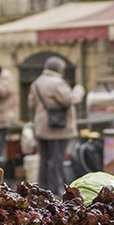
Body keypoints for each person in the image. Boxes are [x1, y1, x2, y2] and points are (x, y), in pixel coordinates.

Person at [29, 56, 85, 196]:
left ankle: (42, 190)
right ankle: (55, 190)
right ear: (61, 68)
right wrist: (79, 90)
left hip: (42, 126)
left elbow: (31, 104)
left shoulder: (36, 83)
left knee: (44, 160)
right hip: (58, 128)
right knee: (56, 160)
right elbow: (69, 99)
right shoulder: (57, 83)